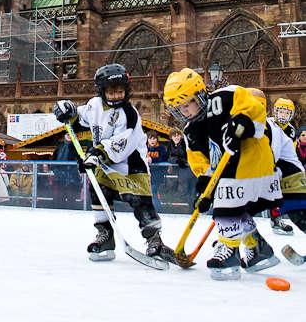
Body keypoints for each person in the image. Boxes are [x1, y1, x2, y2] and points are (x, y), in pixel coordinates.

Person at [163, 68, 281, 280]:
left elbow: (256, 110)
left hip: (253, 164)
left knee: (225, 209)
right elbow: (201, 163)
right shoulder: (190, 131)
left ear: (199, 93)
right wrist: (205, 187)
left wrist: (243, 122)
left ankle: (229, 251)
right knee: (232, 209)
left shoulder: (226, 96)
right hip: (231, 176)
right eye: (178, 108)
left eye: (187, 103)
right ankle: (258, 250)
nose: (184, 111)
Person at [53, 63, 176, 264]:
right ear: (102, 91)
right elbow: (79, 117)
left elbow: (122, 141)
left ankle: (155, 240)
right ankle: (106, 237)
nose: (116, 95)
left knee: (139, 201)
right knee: (99, 194)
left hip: (131, 163)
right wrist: (67, 110)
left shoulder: (129, 113)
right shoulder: (94, 105)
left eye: (120, 91)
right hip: (103, 162)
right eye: (111, 92)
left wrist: (97, 154)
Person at [249, 89, 306, 235]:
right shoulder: (267, 123)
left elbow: (290, 151)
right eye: (281, 112)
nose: (283, 115)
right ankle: (234, 234)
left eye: (287, 113)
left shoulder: (291, 130)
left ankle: (276, 219)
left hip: (281, 168)